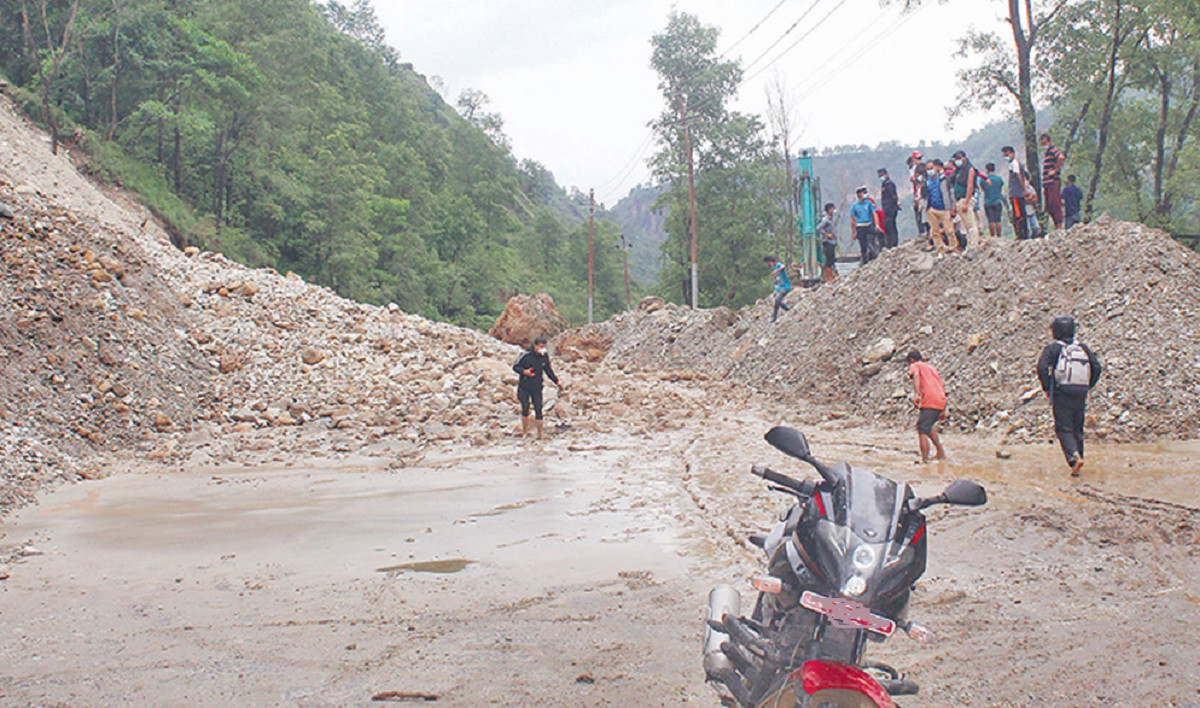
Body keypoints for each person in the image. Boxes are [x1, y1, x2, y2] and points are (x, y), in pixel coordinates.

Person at [1037, 316, 1102, 476]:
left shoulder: (1053, 348)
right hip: (1080, 392)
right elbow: (1096, 367)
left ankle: (1074, 458)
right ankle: (1079, 457)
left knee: (1064, 428)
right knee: (1077, 427)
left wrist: (1047, 387)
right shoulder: (1082, 348)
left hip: (1062, 392)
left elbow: (1042, 367)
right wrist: (1088, 385)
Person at [513, 337, 564, 440]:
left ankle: (540, 434)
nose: (543, 349)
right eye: (541, 347)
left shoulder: (544, 356)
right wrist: (525, 372)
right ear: (535, 346)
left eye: (545, 347)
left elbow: (548, 370)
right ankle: (525, 432)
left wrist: (557, 381)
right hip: (525, 386)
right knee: (525, 408)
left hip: (537, 386)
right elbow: (516, 367)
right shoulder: (526, 355)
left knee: (539, 409)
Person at [906, 350, 947, 464]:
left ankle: (925, 460)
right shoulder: (932, 369)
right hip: (940, 400)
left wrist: (916, 394)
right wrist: (943, 408)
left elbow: (916, 375)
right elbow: (940, 386)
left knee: (922, 429)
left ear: (911, 360)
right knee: (927, 427)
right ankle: (941, 453)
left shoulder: (915, 366)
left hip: (929, 400)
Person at [923, 160, 957, 255]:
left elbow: (951, 193)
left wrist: (952, 206)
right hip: (932, 209)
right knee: (935, 232)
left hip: (944, 208)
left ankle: (953, 248)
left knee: (949, 230)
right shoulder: (926, 182)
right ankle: (940, 250)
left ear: (936, 168)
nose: (930, 171)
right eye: (928, 169)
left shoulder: (944, 179)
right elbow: (924, 195)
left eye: (931, 168)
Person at [1002, 146, 1034, 240]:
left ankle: (1021, 234)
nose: (1006, 157)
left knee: (1018, 214)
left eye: (1007, 154)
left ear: (1012, 153)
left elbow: (1019, 176)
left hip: (1016, 193)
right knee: (1021, 213)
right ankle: (1023, 234)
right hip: (1017, 193)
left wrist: (1024, 189)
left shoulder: (1014, 163)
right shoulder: (1015, 163)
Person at [951, 150, 980, 248]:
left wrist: (966, 201)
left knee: (971, 224)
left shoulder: (970, 169)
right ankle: (970, 244)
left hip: (965, 199)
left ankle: (974, 245)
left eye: (959, 158)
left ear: (964, 158)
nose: (957, 161)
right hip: (959, 199)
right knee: (966, 226)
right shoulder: (959, 171)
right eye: (956, 159)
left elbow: (970, 185)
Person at [1040, 134, 1067, 229]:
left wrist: (1055, 170)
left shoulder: (1053, 150)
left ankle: (1059, 225)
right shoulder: (1047, 153)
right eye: (1042, 144)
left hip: (1053, 181)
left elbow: (1061, 157)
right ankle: (1056, 225)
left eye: (1045, 143)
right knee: (1049, 206)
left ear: (1049, 142)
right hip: (1047, 183)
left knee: (1055, 204)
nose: (1044, 145)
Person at [849, 186, 880, 266]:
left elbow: (874, 213)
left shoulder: (869, 203)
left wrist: (877, 224)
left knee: (878, 235)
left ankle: (879, 253)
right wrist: (854, 232)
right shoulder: (855, 206)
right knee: (863, 245)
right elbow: (853, 220)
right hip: (860, 227)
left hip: (869, 225)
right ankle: (865, 262)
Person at [764, 255, 792, 322]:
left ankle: (774, 317)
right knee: (777, 300)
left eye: (768, 263)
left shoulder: (779, 265)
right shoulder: (773, 267)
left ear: (771, 261)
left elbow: (783, 266)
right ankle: (787, 309)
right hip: (779, 287)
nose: (768, 264)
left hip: (785, 286)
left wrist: (777, 270)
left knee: (777, 299)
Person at [908, 151, 929, 240]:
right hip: (919, 193)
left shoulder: (921, 167)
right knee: (921, 214)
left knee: (924, 214)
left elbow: (921, 181)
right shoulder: (915, 168)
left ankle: (927, 232)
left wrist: (918, 196)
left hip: (923, 194)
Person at [878, 168, 900, 249]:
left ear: (886, 174)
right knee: (887, 226)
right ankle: (889, 243)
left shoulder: (889, 184)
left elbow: (894, 196)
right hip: (886, 209)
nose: (881, 177)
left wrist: (895, 204)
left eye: (882, 175)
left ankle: (893, 244)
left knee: (890, 226)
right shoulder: (884, 184)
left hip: (891, 208)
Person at [981, 163, 1005, 238]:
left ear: (987, 170)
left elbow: (982, 189)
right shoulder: (999, 179)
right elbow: (1000, 188)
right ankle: (999, 236)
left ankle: (992, 236)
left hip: (988, 202)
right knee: (998, 220)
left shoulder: (983, 180)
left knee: (991, 220)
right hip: (997, 201)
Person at [817, 202, 838, 283]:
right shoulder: (825, 219)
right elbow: (818, 228)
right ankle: (829, 279)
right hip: (828, 242)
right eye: (833, 209)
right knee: (829, 261)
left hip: (832, 243)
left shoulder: (830, 219)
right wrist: (827, 234)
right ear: (829, 210)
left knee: (832, 260)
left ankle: (831, 277)